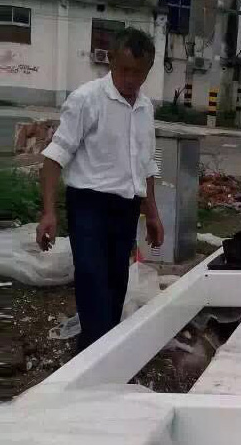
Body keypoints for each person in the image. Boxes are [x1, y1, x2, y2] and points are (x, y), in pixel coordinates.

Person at [37, 28, 165, 350]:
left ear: (149, 70)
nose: (131, 79)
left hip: (125, 210)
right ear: (111, 61)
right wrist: (49, 213)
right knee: (93, 283)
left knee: (116, 285)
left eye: (139, 72)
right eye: (124, 69)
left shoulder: (145, 108)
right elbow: (54, 157)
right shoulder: (87, 99)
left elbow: (146, 165)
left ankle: (97, 353)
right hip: (88, 207)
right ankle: (93, 358)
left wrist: (152, 214)